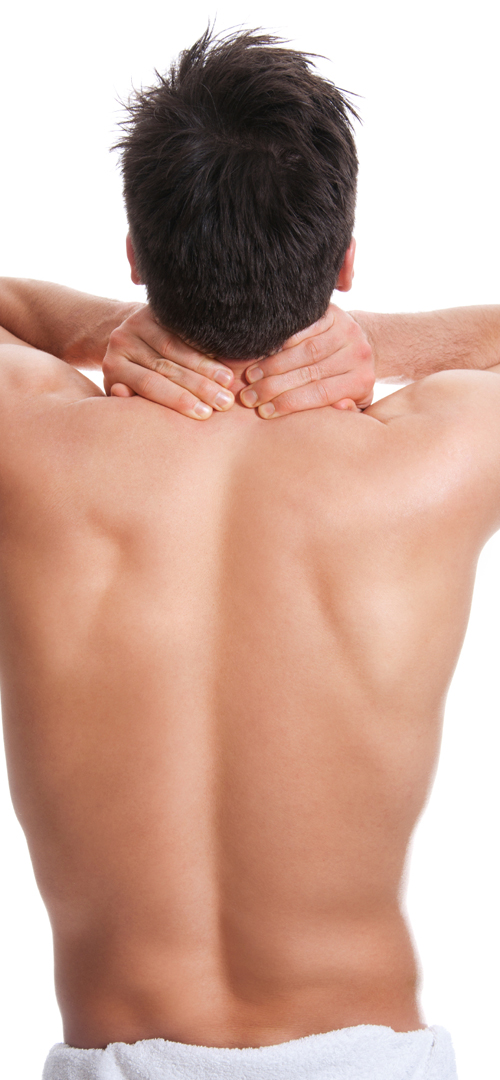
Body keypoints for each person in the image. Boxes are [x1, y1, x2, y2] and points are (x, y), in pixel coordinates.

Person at [1, 27, 500, 1080]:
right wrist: (383, 342)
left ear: (136, 254)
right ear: (346, 258)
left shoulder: (32, 445)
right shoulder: (441, 455)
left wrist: (102, 330)